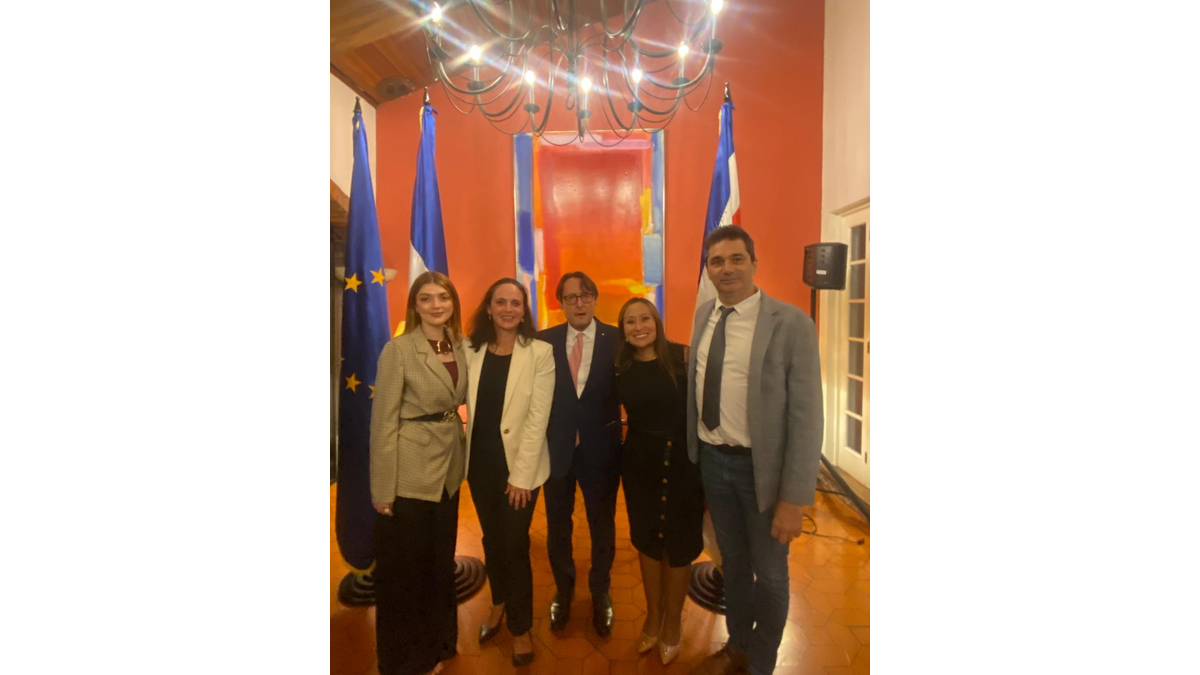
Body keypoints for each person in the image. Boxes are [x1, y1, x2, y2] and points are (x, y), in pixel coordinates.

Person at [688, 226, 825, 675]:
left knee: (770, 574)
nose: (726, 268)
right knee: (732, 563)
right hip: (713, 462)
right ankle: (739, 645)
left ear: (753, 263)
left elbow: (807, 417)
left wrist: (794, 499)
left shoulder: (791, 324)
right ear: (708, 270)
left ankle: (761, 664)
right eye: (717, 261)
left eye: (736, 259)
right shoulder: (704, 315)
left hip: (761, 473)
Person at [370, 272, 469, 675]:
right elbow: (382, 422)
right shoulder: (398, 350)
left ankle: (441, 641)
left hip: (448, 469)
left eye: (443, 297)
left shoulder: (460, 345)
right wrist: (382, 489)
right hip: (408, 470)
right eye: (426, 298)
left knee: (439, 563)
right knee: (406, 572)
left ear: (453, 302)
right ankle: (405, 660)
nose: (436, 305)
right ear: (415, 306)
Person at [464, 278, 555, 667]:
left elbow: (538, 419)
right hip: (479, 465)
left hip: (520, 469)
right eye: (500, 302)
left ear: (524, 310)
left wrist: (520, 476)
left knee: (514, 544)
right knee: (491, 539)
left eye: (515, 303)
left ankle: (520, 627)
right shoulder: (470, 350)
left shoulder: (540, 353)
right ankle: (498, 600)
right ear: (488, 308)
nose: (507, 309)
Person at [614, 298, 703, 666]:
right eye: (630, 321)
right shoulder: (620, 367)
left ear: (657, 321)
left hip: (683, 463)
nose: (639, 327)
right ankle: (653, 616)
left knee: (679, 544)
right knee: (648, 541)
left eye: (645, 319)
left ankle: (672, 622)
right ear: (623, 330)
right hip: (639, 464)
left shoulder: (684, 358)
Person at [536, 271, 622, 636]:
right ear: (561, 303)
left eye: (586, 295)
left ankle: (600, 591)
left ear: (595, 298)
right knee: (558, 525)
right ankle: (564, 589)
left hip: (602, 452)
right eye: (571, 297)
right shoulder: (543, 341)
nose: (579, 303)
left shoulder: (617, 339)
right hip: (556, 450)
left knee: (602, 526)